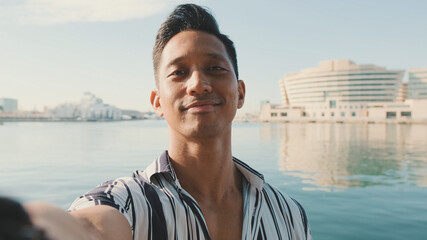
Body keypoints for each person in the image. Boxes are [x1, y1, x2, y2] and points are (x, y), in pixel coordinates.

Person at [25, 3, 311, 240]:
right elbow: (88, 226)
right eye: (179, 72)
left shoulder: (289, 213)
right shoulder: (129, 203)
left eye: (215, 68)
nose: (198, 84)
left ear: (240, 93)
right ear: (157, 102)